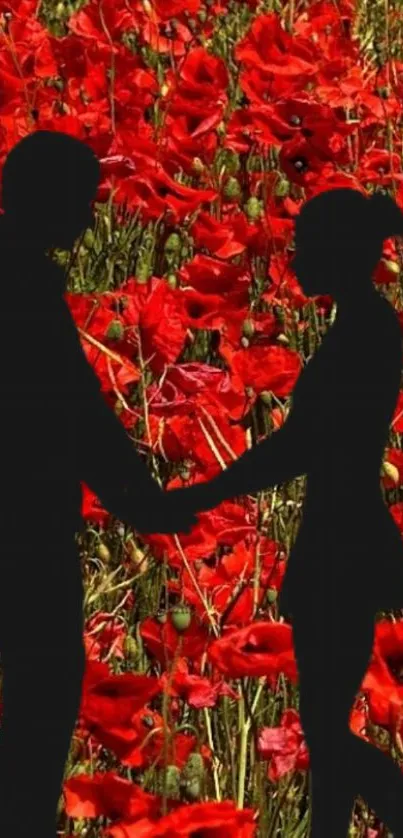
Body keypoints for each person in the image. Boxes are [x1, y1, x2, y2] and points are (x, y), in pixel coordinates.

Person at [176, 187, 403, 836]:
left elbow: (303, 444)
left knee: (324, 733)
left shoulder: (366, 329)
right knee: (323, 730)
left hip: (343, 543)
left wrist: (202, 493)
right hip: (339, 535)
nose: (293, 256)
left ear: (338, 252)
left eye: (304, 245)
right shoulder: (360, 325)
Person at [0, 130, 196, 837]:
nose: (88, 220)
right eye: (80, 203)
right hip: (25, 531)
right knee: (44, 692)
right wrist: (146, 504)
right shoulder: (20, 289)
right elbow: (78, 414)